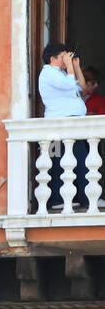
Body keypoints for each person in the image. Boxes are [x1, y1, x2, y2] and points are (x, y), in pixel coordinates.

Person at [40, 43, 90, 208]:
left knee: (82, 161)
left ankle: (85, 198)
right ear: (52, 59)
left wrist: (76, 67)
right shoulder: (48, 73)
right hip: (57, 125)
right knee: (57, 160)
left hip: (72, 124)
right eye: (63, 56)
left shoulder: (62, 74)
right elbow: (69, 85)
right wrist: (69, 67)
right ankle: (57, 200)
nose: (66, 59)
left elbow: (83, 88)